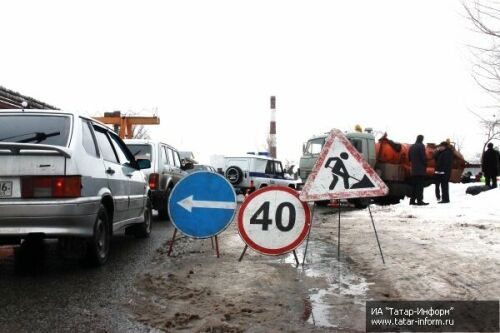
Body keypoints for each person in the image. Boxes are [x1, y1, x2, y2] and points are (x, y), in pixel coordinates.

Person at [408, 134, 429, 205]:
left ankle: (412, 201)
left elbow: (409, 158)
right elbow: (423, 157)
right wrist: (426, 163)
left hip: (414, 170)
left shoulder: (412, 146)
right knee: (420, 187)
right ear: (422, 139)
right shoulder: (421, 146)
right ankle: (419, 201)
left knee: (414, 186)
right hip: (420, 170)